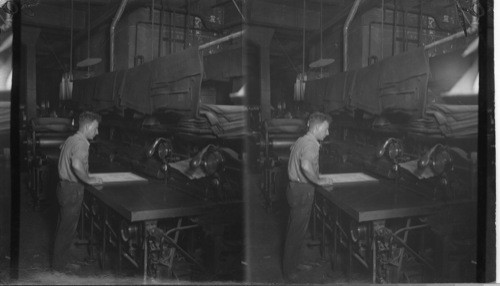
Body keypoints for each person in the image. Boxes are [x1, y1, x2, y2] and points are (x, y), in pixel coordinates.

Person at [282, 111, 332, 281]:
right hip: (302, 190)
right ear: (317, 127)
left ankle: (295, 263)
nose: (327, 133)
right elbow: (305, 165)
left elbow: (294, 152)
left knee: (298, 229)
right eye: (326, 129)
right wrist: (318, 181)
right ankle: (289, 271)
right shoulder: (311, 144)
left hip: (294, 188)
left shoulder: (302, 140)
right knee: (296, 232)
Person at [52, 111, 103, 272]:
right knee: (67, 230)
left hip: (63, 188)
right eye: (95, 128)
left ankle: (61, 261)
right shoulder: (81, 143)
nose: (97, 132)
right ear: (87, 126)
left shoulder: (71, 139)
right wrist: (88, 180)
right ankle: (59, 269)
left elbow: (63, 150)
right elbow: (75, 164)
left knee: (63, 228)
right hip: (72, 190)